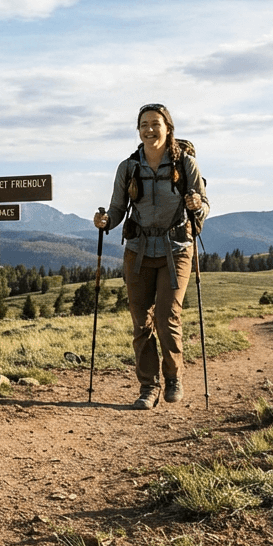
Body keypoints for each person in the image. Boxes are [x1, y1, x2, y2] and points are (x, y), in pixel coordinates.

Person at [93, 104, 208, 409]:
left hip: (177, 248)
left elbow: (204, 204)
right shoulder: (129, 168)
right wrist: (105, 221)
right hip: (138, 250)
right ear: (138, 130)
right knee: (141, 321)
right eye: (144, 124)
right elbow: (117, 208)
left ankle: (173, 378)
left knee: (166, 316)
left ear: (168, 128)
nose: (149, 130)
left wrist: (197, 205)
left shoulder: (186, 164)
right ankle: (148, 386)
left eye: (156, 124)